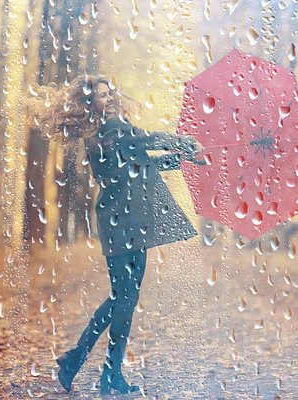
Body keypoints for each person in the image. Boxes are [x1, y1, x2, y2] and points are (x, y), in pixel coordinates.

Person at [26, 75, 204, 395]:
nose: (108, 99)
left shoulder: (105, 133)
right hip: (124, 220)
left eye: (110, 93)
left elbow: (141, 165)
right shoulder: (111, 130)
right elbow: (148, 140)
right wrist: (187, 143)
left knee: (125, 298)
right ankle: (95, 366)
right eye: (101, 95)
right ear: (88, 103)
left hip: (126, 218)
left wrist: (185, 157)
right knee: (124, 298)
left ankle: (95, 367)